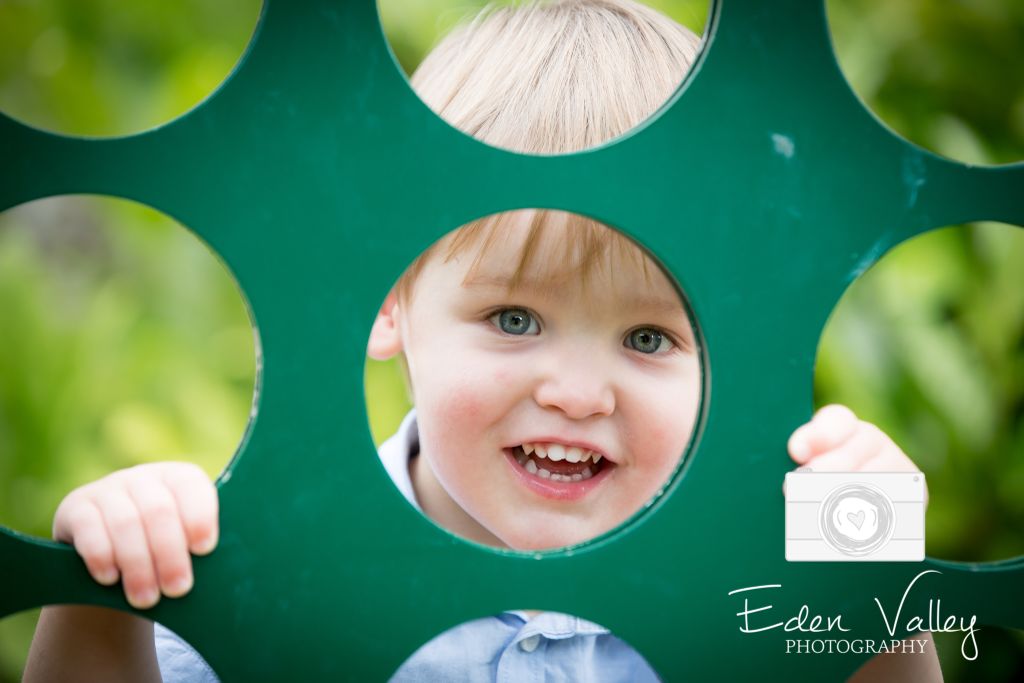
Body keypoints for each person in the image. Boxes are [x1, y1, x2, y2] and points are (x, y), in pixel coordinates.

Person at [23, 1, 943, 681]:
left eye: (651, 336)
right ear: (386, 298)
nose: (581, 394)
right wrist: (103, 601)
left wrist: (876, 586)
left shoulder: (744, 591)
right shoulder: (281, 569)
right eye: (515, 319)